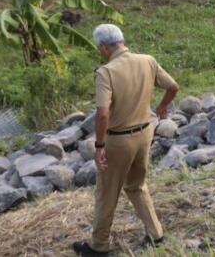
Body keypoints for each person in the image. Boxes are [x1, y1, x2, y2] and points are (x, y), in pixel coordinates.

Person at [73, 24, 179, 257]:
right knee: (137, 185)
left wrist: (99, 145)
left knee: (106, 193)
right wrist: (161, 106)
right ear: (121, 40)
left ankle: (99, 246)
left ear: (103, 47)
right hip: (144, 134)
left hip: (118, 140)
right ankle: (156, 233)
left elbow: (102, 113)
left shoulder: (106, 72)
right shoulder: (147, 61)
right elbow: (173, 86)